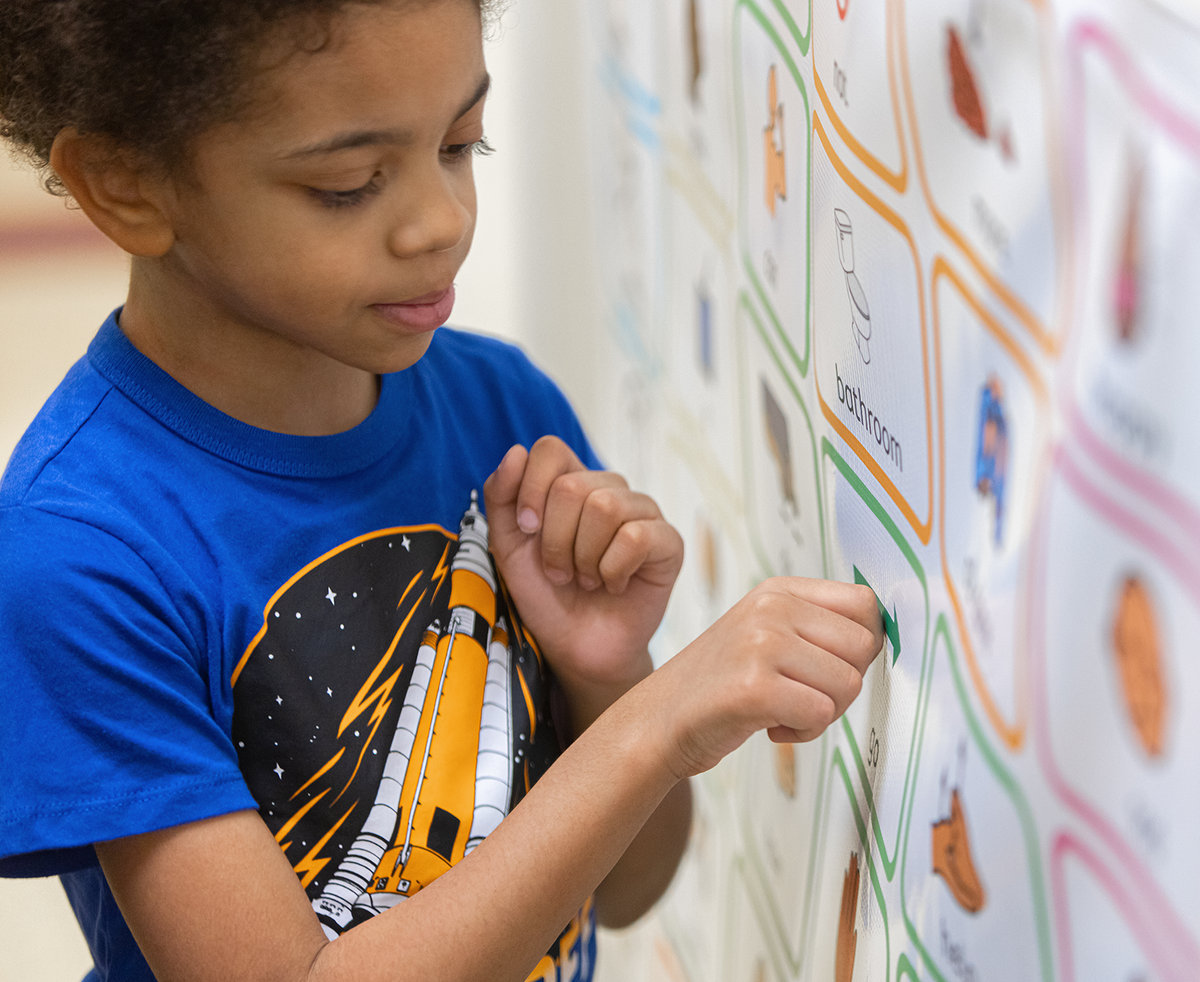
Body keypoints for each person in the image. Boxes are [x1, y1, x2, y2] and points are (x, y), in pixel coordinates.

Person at [0, 1, 884, 980]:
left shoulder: (500, 405)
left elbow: (630, 887)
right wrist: (648, 726)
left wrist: (605, 673)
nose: (441, 222)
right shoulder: (81, 548)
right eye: (348, 184)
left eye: (463, 142)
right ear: (124, 183)